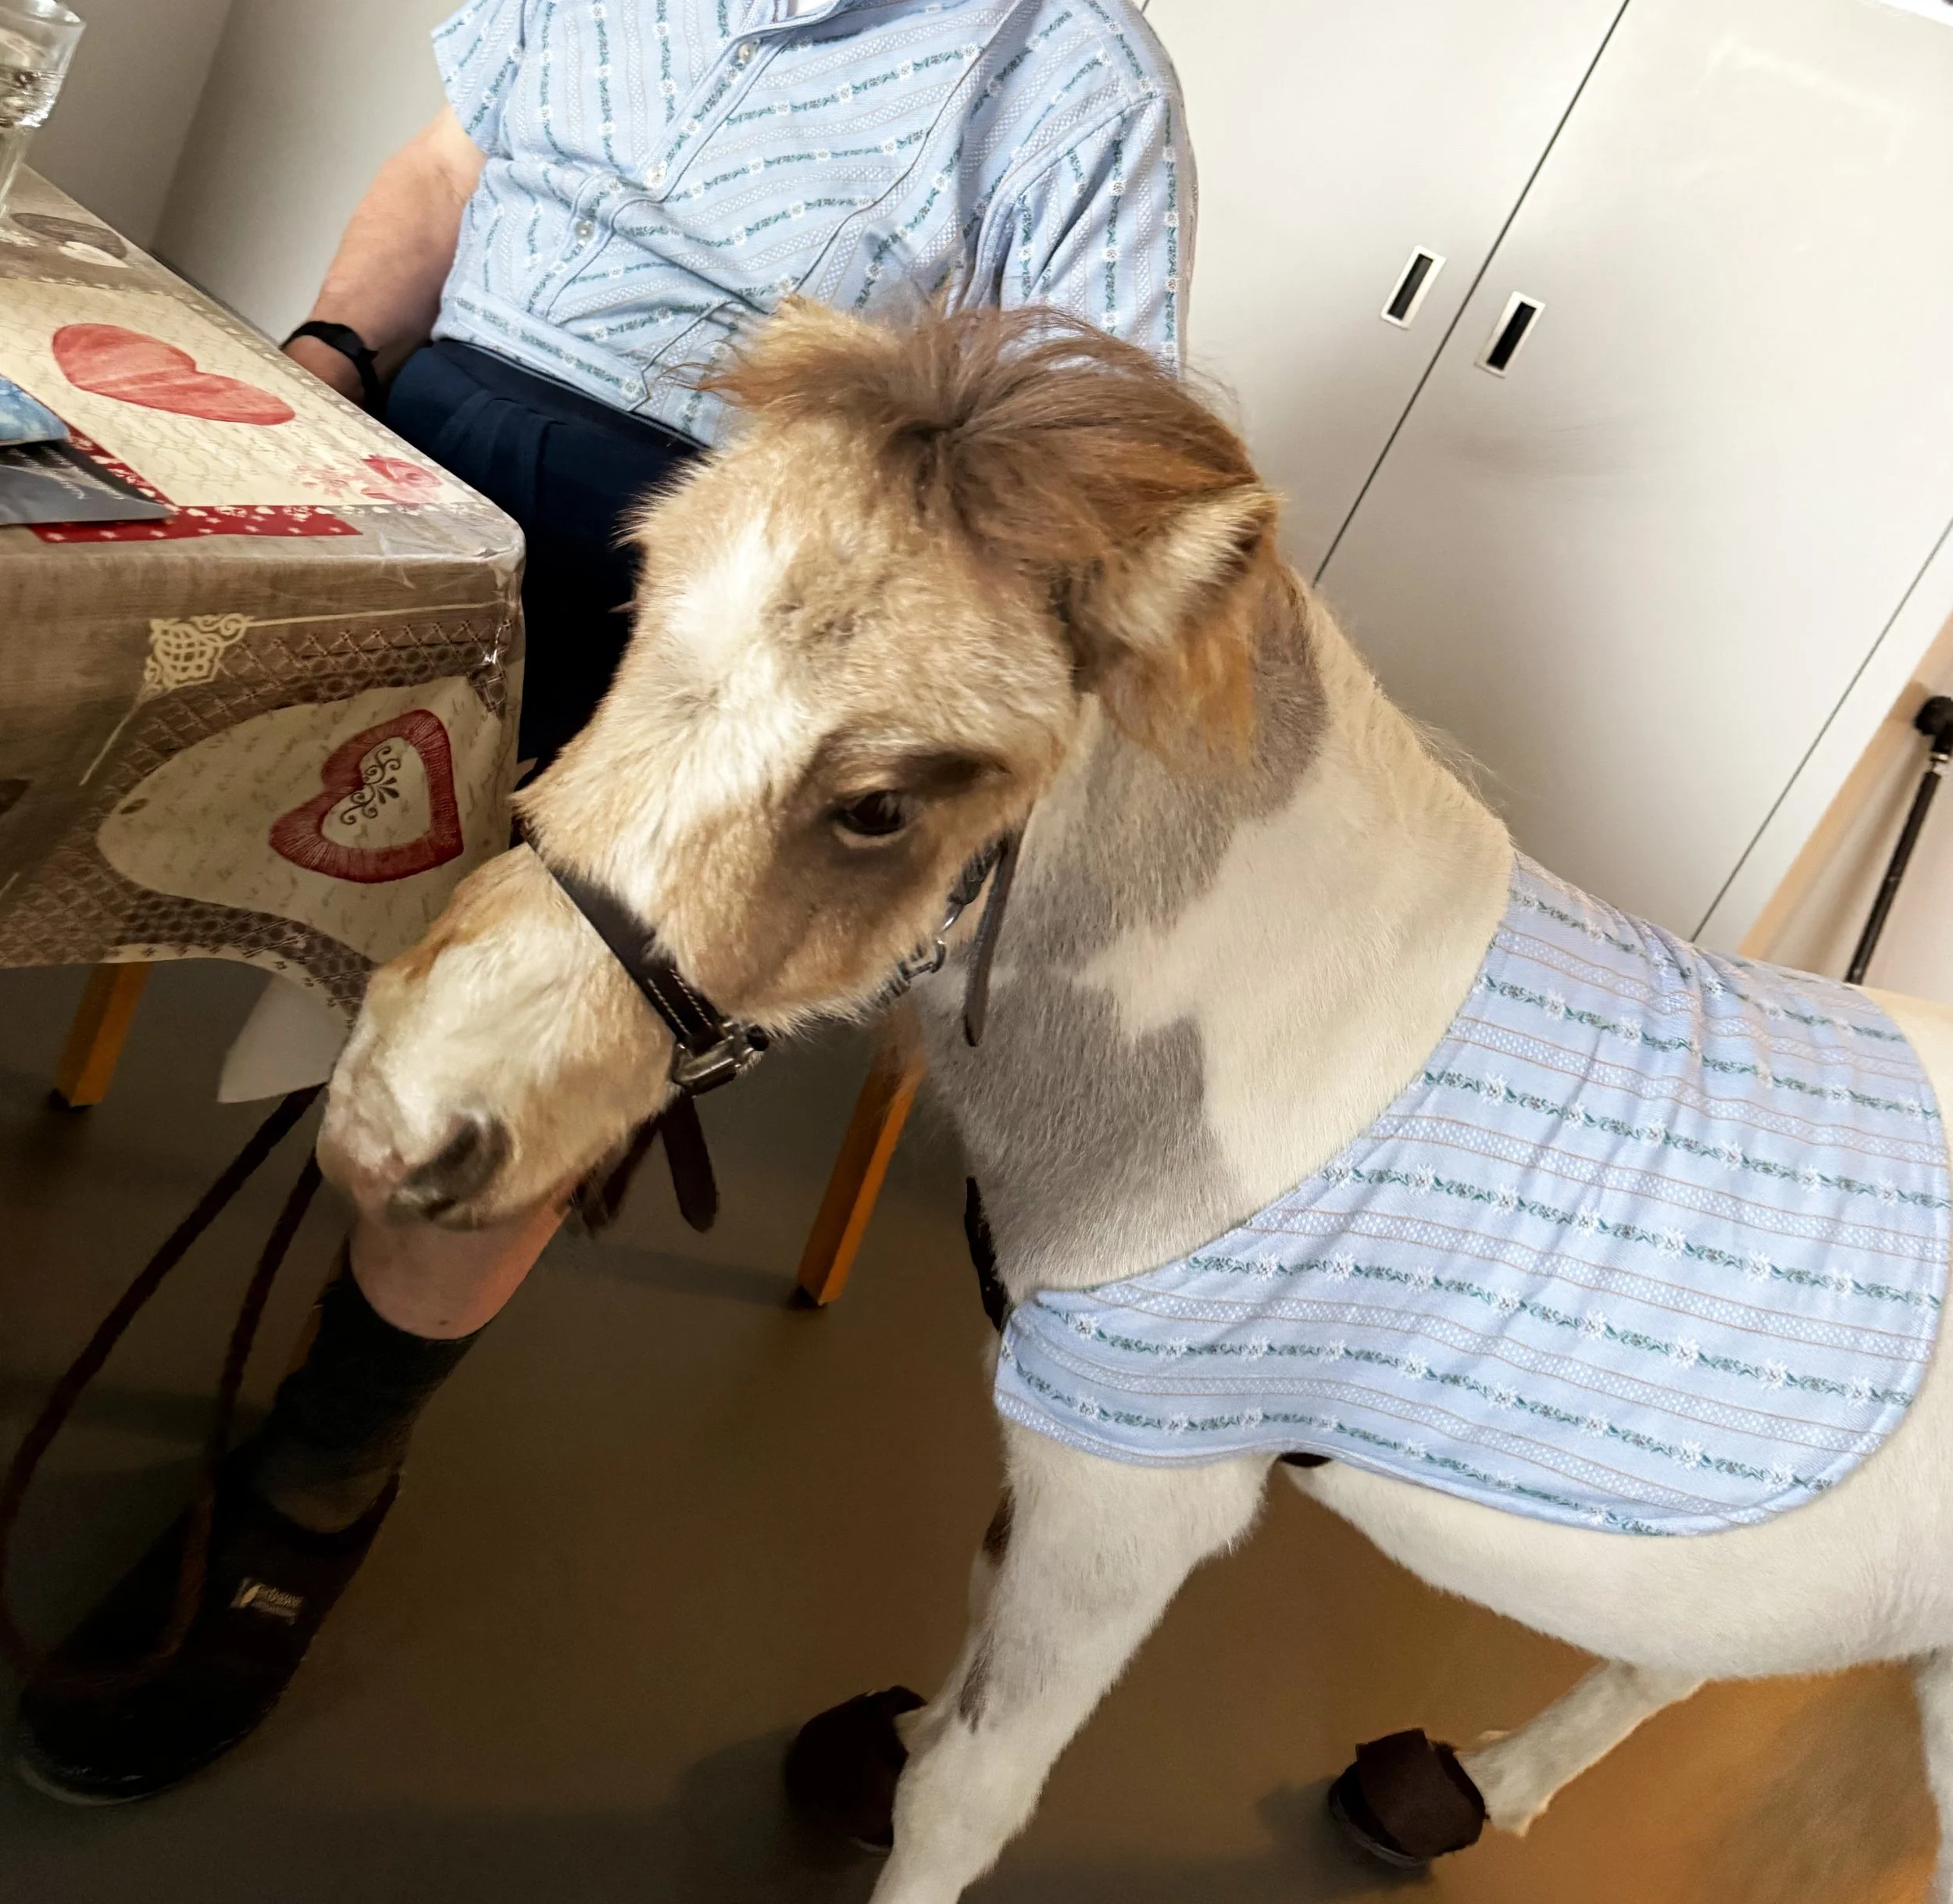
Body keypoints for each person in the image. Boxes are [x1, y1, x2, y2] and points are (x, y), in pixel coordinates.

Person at [13, 0, 1191, 1805]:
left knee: (521, 1075)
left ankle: (319, 1475)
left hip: (715, 614)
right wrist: (323, 359)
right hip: (410, 471)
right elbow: (449, 163)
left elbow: (1077, 479)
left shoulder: (1063, 76)